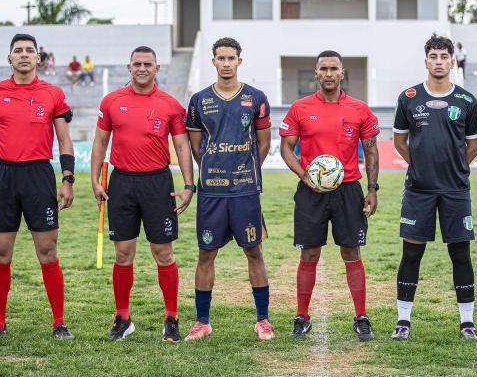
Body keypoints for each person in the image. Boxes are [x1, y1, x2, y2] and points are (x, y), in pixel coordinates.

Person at [0, 33, 75, 340]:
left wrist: (68, 178)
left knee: (47, 249)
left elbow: (64, 140)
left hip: (39, 175)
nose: (24, 55)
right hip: (3, 176)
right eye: (18, 51)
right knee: (0, 251)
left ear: (38, 58)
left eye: (30, 51)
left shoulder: (52, 93)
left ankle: (59, 323)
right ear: (10, 58)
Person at [91, 45, 195, 342]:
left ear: (157, 68)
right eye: (137, 64)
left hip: (157, 183)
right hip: (121, 183)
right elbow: (100, 143)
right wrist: (96, 180)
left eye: (148, 64)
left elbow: (182, 146)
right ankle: (122, 317)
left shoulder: (171, 105)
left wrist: (188, 185)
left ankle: (172, 317)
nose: (142, 68)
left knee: (163, 253)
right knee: (123, 253)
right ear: (129, 67)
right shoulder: (112, 101)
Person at [280, 50, 380, 342]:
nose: (328, 73)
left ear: (342, 72)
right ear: (316, 73)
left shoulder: (360, 109)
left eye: (333, 68)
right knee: (309, 252)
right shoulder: (300, 108)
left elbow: (371, 150)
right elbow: (287, 147)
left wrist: (372, 190)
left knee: (351, 252)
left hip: (349, 190)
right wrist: (304, 175)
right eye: (323, 68)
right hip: (311, 191)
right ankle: (302, 316)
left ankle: (361, 317)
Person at [390, 34, 477, 341]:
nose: (439, 62)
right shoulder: (409, 97)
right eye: (434, 56)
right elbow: (400, 141)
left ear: (453, 61)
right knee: (411, 253)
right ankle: (403, 321)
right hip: (419, 190)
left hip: (456, 189)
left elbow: (474, 145)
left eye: (445, 56)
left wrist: (455, 166)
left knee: (460, 253)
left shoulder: (467, 101)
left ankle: (467, 322)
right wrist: (419, 165)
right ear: (426, 60)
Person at [184, 37, 274, 341]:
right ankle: (202, 321)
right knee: (206, 253)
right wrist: (215, 168)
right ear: (213, 62)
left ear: (239, 61)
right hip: (211, 191)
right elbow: (198, 149)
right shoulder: (198, 101)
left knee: (253, 251)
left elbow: (264, 144)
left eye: (231, 58)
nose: (226, 63)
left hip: (245, 190)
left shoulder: (256, 97)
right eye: (220, 58)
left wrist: (244, 170)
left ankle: (262, 320)